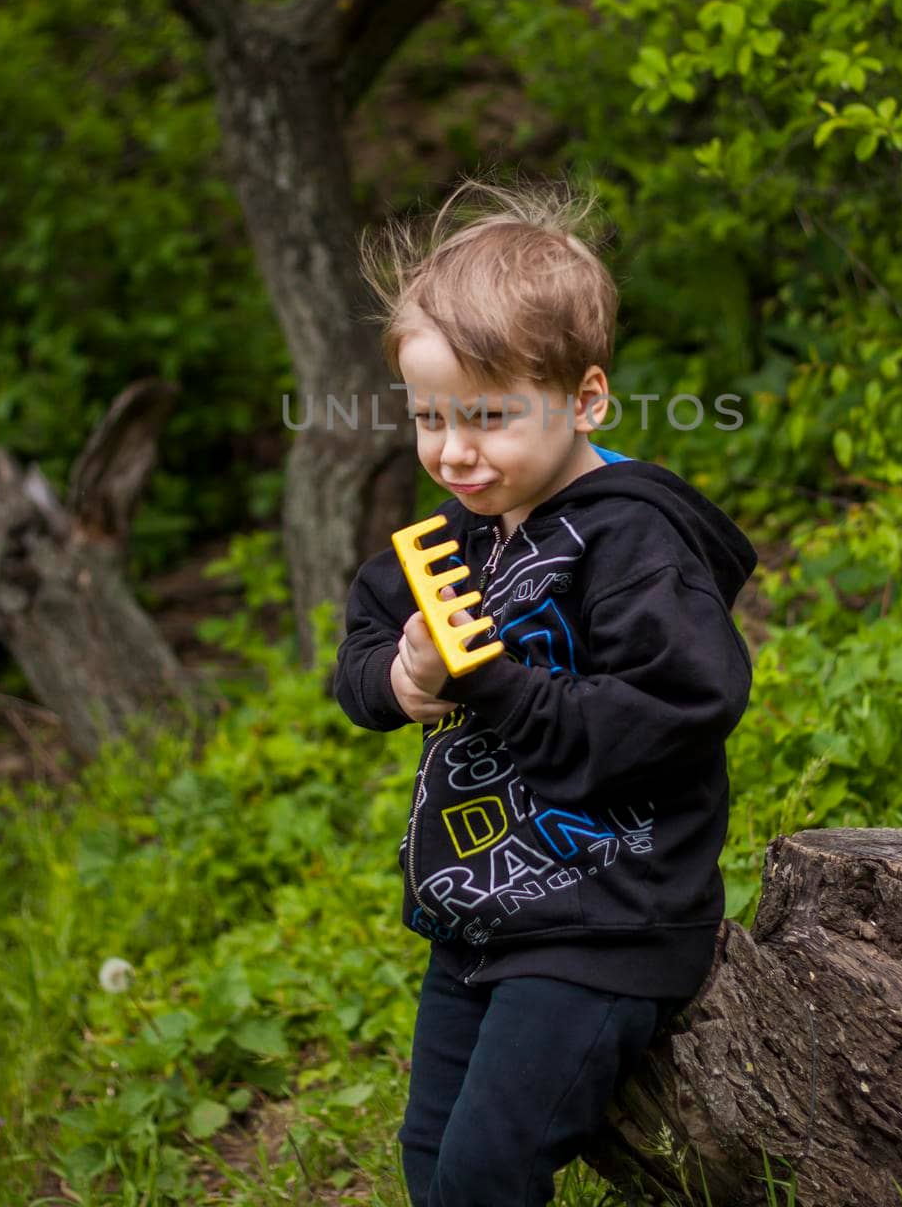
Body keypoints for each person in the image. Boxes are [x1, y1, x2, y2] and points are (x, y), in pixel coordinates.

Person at [333, 174, 757, 1207]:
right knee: (431, 1165)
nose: (452, 450)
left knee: (486, 1171)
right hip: (476, 912)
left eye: (485, 416)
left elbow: (684, 704)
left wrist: (498, 686)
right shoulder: (463, 530)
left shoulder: (631, 537)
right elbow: (360, 641)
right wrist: (402, 676)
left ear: (585, 399)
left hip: (605, 918)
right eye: (429, 417)